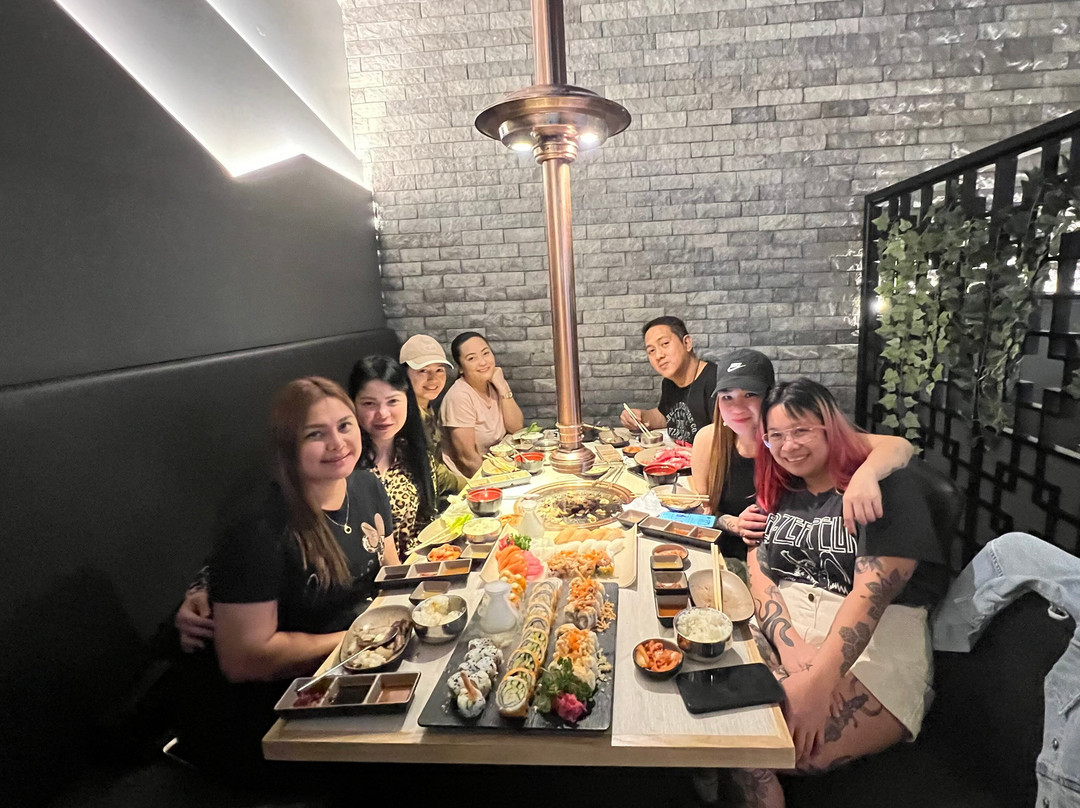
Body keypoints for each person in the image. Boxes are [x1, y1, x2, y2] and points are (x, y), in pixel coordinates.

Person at [731, 378, 947, 807]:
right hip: (789, 629)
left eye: (801, 430)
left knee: (761, 743)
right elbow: (760, 569)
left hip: (875, 648)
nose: (789, 446)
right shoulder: (782, 486)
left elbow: (871, 599)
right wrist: (790, 645)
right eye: (776, 436)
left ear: (830, 426)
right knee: (710, 707)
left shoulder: (888, 489)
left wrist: (817, 682)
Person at [173, 377, 397, 773]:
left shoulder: (366, 486)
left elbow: (390, 574)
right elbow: (245, 660)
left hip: (356, 673)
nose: (337, 443)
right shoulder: (259, 527)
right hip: (276, 717)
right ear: (287, 445)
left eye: (344, 425)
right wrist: (360, 640)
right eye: (316, 434)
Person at [691, 350, 913, 561]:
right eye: (727, 397)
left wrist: (866, 475)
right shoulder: (708, 441)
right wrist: (733, 523)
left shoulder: (795, 441)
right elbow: (702, 511)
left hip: (789, 560)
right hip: (723, 559)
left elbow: (899, 445)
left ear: (770, 397)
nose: (737, 407)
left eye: (750, 394)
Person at [349, 355, 454, 558]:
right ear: (353, 405)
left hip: (420, 564)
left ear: (407, 401)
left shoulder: (411, 451)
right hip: (382, 576)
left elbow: (425, 525)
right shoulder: (349, 465)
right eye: (369, 403)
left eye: (392, 401)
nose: (383, 413)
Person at [620, 315, 717, 445]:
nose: (658, 355)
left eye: (665, 344)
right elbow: (666, 417)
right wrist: (640, 417)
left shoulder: (716, 381)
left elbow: (725, 439)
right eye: (651, 350)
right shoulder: (669, 382)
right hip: (678, 455)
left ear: (687, 343)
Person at [441, 331, 523, 477]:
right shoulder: (459, 397)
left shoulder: (493, 384)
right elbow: (467, 459)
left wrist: (503, 387)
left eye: (485, 353)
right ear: (461, 367)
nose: (483, 362)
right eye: (472, 358)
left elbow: (516, 428)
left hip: (499, 467)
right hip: (473, 479)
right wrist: (500, 480)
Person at [399, 334, 465, 498]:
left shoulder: (425, 406)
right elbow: (430, 471)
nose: (433, 379)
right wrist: (469, 485)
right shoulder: (404, 417)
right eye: (423, 370)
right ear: (404, 373)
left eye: (439, 370)